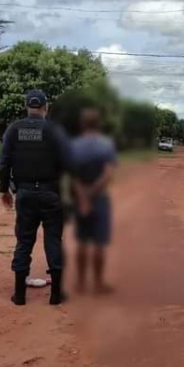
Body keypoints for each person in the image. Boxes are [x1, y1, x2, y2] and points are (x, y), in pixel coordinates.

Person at [0, 90, 69, 306]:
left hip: (25, 194)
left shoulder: (14, 129)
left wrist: (4, 191)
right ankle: (56, 295)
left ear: (26, 106)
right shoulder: (55, 130)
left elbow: (4, 163)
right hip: (52, 194)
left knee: (24, 241)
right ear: (46, 108)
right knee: (53, 241)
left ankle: (19, 295)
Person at [70, 107, 117, 294]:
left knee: (82, 241)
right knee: (99, 243)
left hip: (79, 199)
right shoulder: (106, 145)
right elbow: (107, 175)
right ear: (99, 124)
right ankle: (98, 284)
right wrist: (91, 195)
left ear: (82, 124)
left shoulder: (74, 145)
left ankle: (81, 284)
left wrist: (82, 197)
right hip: (99, 200)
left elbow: (73, 176)